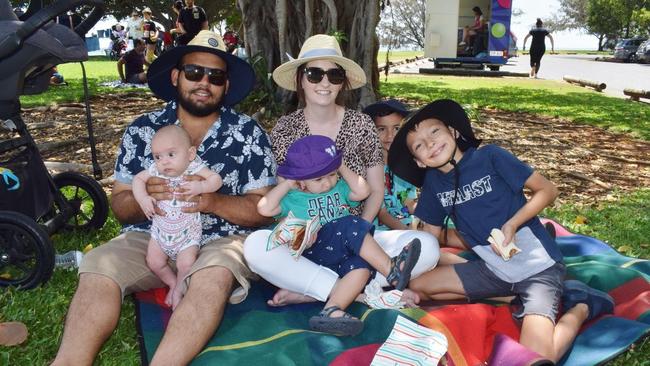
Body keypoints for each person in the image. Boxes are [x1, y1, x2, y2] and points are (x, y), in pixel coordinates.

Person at [52, 30, 274, 365]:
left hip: (220, 239)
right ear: (176, 76)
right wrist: (145, 199)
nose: (204, 82)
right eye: (194, 72)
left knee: (213, 276)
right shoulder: (144, 129)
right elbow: (121, 206)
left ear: (226, 85)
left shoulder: (247, 133)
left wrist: (212, 202)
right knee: (99, 264)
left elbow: (264, 211)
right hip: (151, 235)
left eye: (216, 76)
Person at [387, 99, 615, 362]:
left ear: (453, 131)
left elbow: (548, 190)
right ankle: (510, 296)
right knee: (419, 285)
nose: (430, 144)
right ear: (419, 161)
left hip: (537, 267)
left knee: (537, 357)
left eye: (434, 132)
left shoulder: (490, 157)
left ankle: (582, 305)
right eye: (419, 145)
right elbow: (432, 237)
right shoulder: (433, 185)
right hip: (495, 270)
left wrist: (513, 223)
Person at [244, 34, 439, 314]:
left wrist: (356, 233)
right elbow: (282, 195)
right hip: (307, 243)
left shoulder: (360, 124)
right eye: (314, 74)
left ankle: (313, 291)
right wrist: (299, 232)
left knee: (428, 247)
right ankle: (352, 291)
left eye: (334, 75)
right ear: (301, 79)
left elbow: (374, 190)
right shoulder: (286, 128)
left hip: (359, 233)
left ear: (343, 82)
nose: (324, 83)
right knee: (255, 247)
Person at [255, 135, 421, 336]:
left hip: (340, 256)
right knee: (350, 223)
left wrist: (339, 166)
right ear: (301, 182)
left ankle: (331, 310)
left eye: (332, 175)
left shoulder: (339, 187)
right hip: (314, 250)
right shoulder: (293, 197)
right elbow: (264, 208)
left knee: (361, 267)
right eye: (318, 179)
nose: (327, 183)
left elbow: (363, 190)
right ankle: (391, 269)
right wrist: (289, 182)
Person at [132, 125, 223, 309]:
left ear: (190, 154)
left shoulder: (194, 168)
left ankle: (180, 286)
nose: (164, 162)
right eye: (158, 157)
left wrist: (201, 187)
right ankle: (172, 283)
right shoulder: (155, 171)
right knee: (154, 262)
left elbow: (216, 179)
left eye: (171, 155)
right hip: (160, 232)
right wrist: (143, 199)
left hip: (187, 234)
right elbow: (138, 180)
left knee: (186, 263)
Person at [362, 99, 416, 231]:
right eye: (381, 129)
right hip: (381, 232)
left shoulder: (408, 165)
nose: (390, 136)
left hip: (408, 225)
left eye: (397, 128)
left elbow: (408, 202)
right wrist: (409, 233)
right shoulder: (368, 169)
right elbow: (381, 213)